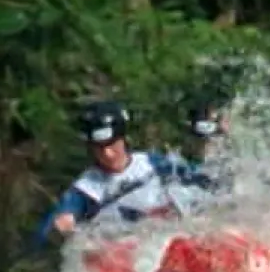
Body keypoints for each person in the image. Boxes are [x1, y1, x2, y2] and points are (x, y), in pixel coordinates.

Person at [33, 100, 209, 247]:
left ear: (123, 138)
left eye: (112, 145)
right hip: (127, 252)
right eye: (99, 149)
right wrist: (58, 228)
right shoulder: (86, 190)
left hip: (172, 237)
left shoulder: (154, 163)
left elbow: (202, 179)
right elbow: (47, 231)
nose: (108, 154)